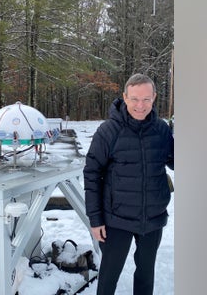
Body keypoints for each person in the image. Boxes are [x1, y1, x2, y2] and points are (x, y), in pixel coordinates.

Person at [84, 73, 174, 295]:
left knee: (146, 274)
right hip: (117, 219)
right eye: (134, 99)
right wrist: (95, 220)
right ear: (124, 97)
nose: (140, 105)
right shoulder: (108, 131)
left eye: (146, 99)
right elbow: (92, 174)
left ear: (154, 98)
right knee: (109, 276)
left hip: (152, 218)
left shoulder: (162, 130)